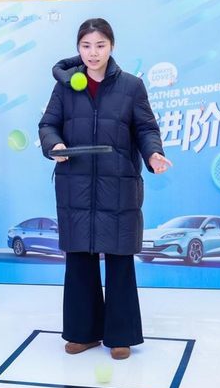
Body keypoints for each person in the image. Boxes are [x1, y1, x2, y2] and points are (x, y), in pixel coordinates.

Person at [39, 18, 171, 361]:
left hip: (119, 185)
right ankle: (82, 333)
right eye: (86, 46)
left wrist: (153, 153)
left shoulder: (131, 86)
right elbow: (48, 124)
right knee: (79, 259)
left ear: (111, 46)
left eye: (100, 45)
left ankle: (120, 335)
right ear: (78, 48)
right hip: (76, 184)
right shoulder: (65, 87)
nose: (93, 53)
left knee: (119, 261)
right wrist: (54, 145)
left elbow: (146, 128)